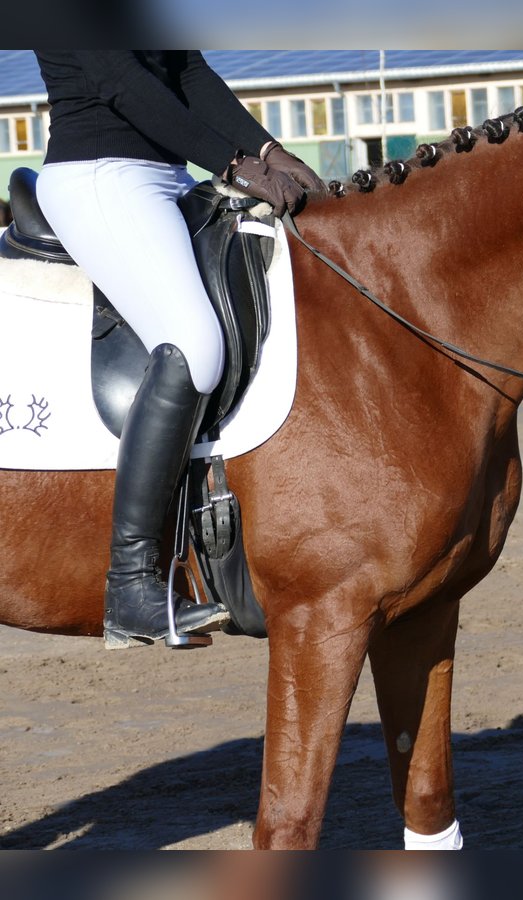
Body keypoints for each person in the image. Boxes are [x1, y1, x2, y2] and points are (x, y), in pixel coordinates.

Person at [34, 51, 327, 649]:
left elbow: (186, 69)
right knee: (193, 343)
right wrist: (233, 162)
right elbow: (117, 78)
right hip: (101, 174)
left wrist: (268, 150)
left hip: (170, 175)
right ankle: (131, 585)